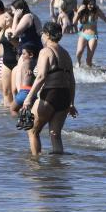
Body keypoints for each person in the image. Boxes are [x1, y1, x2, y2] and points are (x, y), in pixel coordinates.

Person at [20, 22, 78, 155]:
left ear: (47, 34)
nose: (41, 37)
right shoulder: (66, 53)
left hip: (50, 94)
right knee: (55, 134)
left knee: (32, 131)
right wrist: (71, 103)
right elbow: (72, 81)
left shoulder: (45, 51)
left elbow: (41, 77)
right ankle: (57, 168)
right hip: (64, 96)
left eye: (42, 34)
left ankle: (35, 167)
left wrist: (28, 98)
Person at [71, 0, 106, 67]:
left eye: (93, 4)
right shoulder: (82, 10)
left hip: (93, 36)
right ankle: (79, 62)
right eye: (90, 4)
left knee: (89, 60)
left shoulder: (96, 10)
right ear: (86, 4)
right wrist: (78, 12)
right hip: (83, 35)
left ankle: (90, 73)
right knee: (79, 52)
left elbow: (105, 19)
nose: (91, 6)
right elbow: (73, 22)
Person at [9, 42, 40, 115]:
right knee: (30, 112)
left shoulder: (27, 62)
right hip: (33, 93)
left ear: (31, 55)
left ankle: (17, 122)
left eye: (23, 54)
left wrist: (28, 70)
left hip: (24, 91)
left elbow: (27, 68)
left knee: (12, 109)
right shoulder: (37, 62)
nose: (21, 56)